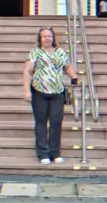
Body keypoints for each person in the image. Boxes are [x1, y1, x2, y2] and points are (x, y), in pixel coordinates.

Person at [23, 27, 78, 165]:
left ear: (53, 38)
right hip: (39, 91)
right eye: (44, 36)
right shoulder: (35, 53)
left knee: (56, 122)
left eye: (49, 36)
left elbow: (67, 66)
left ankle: (55, 152)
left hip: (57, 92)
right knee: (41, 122)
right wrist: (26, 91)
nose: (47, 38)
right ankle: (43, 153)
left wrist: (74, 77)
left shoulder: (60, 52)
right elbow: (27, 71)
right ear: (40, 39)